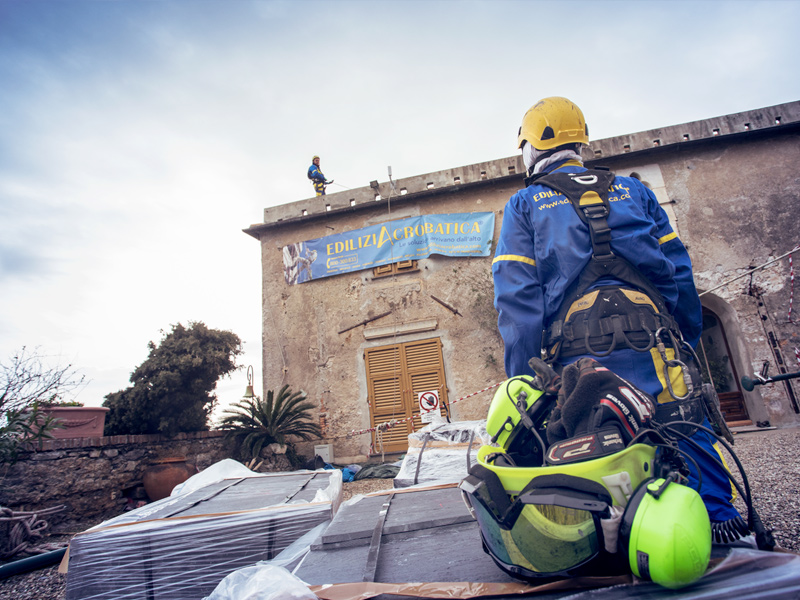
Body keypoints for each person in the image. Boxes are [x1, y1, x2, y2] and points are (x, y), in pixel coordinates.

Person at [492, 97, 744, 537]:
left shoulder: (525, 204)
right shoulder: (636, 191)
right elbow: (677, 270)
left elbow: (517, 298)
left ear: (531, 148)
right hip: (656, 344)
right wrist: (683, 334)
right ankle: (720, 523)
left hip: (582, 361)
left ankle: (611, 536)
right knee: (684, 419)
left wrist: (524, 377)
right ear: (580, 143)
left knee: (592, 440)